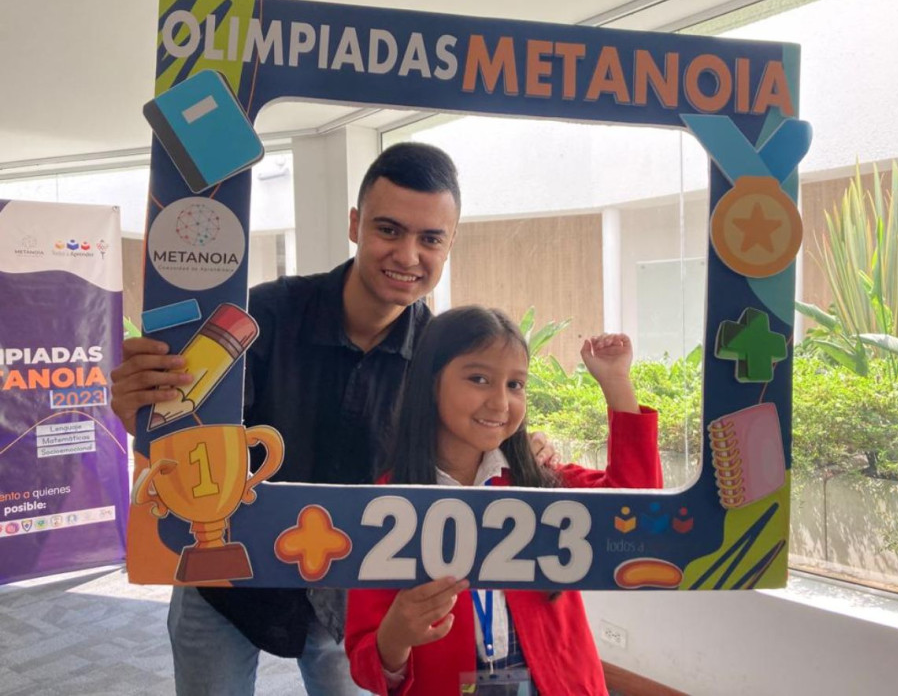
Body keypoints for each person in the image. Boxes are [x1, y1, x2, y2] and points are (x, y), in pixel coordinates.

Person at [110, 143, 556, 695]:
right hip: (224, 581)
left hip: (355, 585)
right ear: (355, 224)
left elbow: (459, 447)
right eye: (389, 230)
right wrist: (148, 412)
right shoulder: (261, 317)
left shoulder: (443, 357)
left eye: (430, 239)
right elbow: (193, 435)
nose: (408, 255)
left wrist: (515, 446)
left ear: (450, 243)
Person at [345, 306, 663, 696]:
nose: (501, 402)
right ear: (430, 384)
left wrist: (616, 384)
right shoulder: (389, 508)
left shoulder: (540, 481)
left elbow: (640, 508)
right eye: (479, 379)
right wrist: (396, 636)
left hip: (558, 683)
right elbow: (367, 667)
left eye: (516, 385)